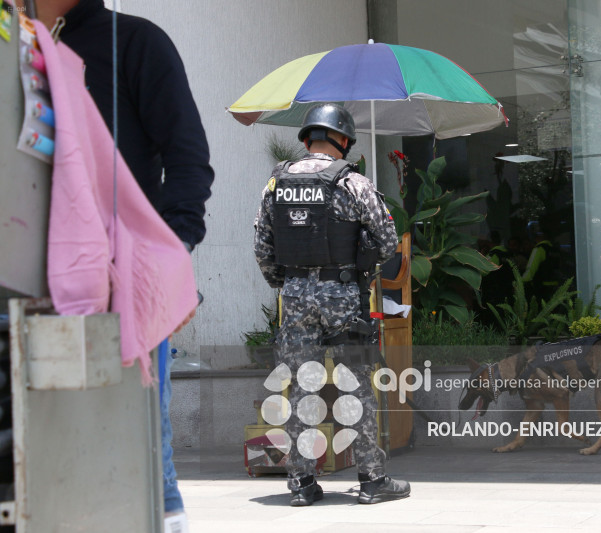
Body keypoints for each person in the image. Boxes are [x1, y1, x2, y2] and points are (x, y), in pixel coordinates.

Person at [35, 0, 214, 529]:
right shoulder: (14, 50)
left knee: (138, 454)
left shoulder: (134, 42)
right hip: (20, 287)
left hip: (118, 287)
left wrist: (169, 263)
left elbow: (187, 160)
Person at [254, 103, 410, 506]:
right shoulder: (353, 183)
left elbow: (263, 246)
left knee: (299, 387)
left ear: (307, 139)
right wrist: (360, 272)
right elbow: (387, 240)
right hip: (342, 295)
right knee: (356, 386)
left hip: (294, 296)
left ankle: (302, 485)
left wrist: (286, 283)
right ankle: (372, 480)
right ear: (343, 140)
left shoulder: (276, 184)